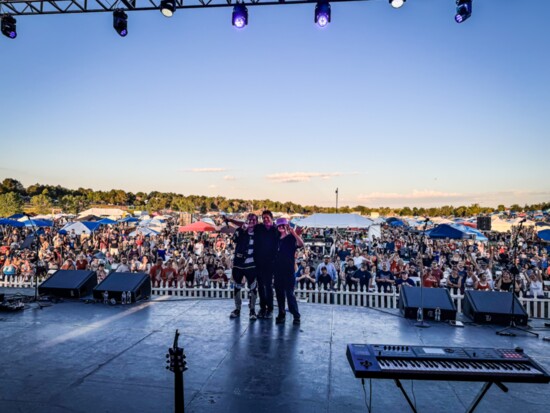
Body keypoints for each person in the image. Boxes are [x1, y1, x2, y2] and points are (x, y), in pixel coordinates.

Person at [273, 218, 304, 325]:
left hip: (289, 271)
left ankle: (296, 315)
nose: (281, 227)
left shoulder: (291, 237)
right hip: (277, 271)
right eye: (279, 226)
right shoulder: (276, 239)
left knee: (290, 294)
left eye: (283, 225)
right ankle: (281, 314)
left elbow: (301, 244)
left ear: (286, 226)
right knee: (279, 295)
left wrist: (294, 233)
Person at [229, 214, 258, 321]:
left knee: (253, 287)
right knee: (237, 286)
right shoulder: (240, 230)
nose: (251, 222)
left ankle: (252, 310)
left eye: (253, 220)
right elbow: (234, 239)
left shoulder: (258, 233)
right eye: (249, 220)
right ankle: (237, 309)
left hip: (252, 265)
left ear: (256, 222)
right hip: (238, 264)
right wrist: (242, 229)